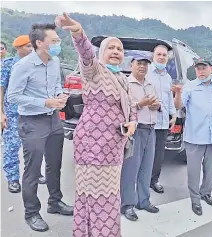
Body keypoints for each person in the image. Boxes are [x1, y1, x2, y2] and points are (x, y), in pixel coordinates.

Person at [55, 13, 137, 236]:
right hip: (92, 146)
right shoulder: (94, 70)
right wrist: (77, 31)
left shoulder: (122, 78)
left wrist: (133, 123)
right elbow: (85, 53)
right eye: (111, 48)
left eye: (119, 49)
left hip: (114, 146)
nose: (115, 52)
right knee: (93, 195)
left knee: (110, 196)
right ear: (102, 52)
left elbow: (131, 106)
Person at [7, 23, 73, 232]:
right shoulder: (23, 66)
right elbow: (13, 96)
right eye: (54, 41)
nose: (57, 44)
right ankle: (32, 213)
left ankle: (55, 202)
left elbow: (55, 86)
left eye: (58, 40)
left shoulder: (55, 62)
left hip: (53, 120)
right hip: (32, 122)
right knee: (32, 170)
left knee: (54, 164)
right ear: (39, 43)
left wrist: (59, 97)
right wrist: (44, 102)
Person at [175, 59, 212, 216]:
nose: (201, 71)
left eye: (204, 68)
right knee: (193, 171)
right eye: (198, 68)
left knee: (210, 169)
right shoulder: (189, 87)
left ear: (211, 68)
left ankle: (206, 193)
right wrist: (178, 93)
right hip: (194, 136)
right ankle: (195, 200)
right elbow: (179, 106)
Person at [1, 35, 46, 193]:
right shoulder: (7, 65)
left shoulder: (36, 64)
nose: (31, 49)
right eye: (27, 46)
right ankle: (13, 178)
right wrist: (1, 113)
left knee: (35, 146)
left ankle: (35, 173)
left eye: (32, 46)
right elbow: (1, 89)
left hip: (32, 111)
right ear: (18, 48)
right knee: (12, 147)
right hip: (13, 113)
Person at [121, 54, 160, 221]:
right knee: (130, 169)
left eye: (145, 64)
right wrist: (140, 104)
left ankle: (143, 201)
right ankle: (127, 205)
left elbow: (157, 104)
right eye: (139, 63)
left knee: (146, 168)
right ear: (131, 65)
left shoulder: (150, 85)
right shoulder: (126, 84)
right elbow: (123, 107)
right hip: (135, 131)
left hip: (151, 129)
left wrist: (157, 106)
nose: (142, 67)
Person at [147, 44, 177, 194]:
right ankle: (141, 180)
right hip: (147, 121)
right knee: (145, 153)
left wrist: (174, 115)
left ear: (167, 58)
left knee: (159, 154)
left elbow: (169, 99)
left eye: (164, 55)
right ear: (153, 56)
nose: (161, 57)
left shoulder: (168, 77)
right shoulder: (146, 73)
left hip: (163, 122)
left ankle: (154, 180)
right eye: (158, 54)